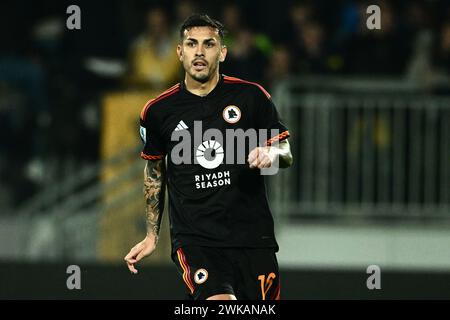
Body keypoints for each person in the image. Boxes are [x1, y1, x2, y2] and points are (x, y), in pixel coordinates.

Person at [124, 14, 292, 300]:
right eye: (191, 44)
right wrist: (153, 235)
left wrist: (271, 152)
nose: (199, 52)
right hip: (196, 240)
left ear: (222, 52)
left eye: (208, 44)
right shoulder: (158, 111)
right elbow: (154, 171)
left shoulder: (252, 97)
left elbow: (286, 154)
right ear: (180, 52)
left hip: (253, 238)